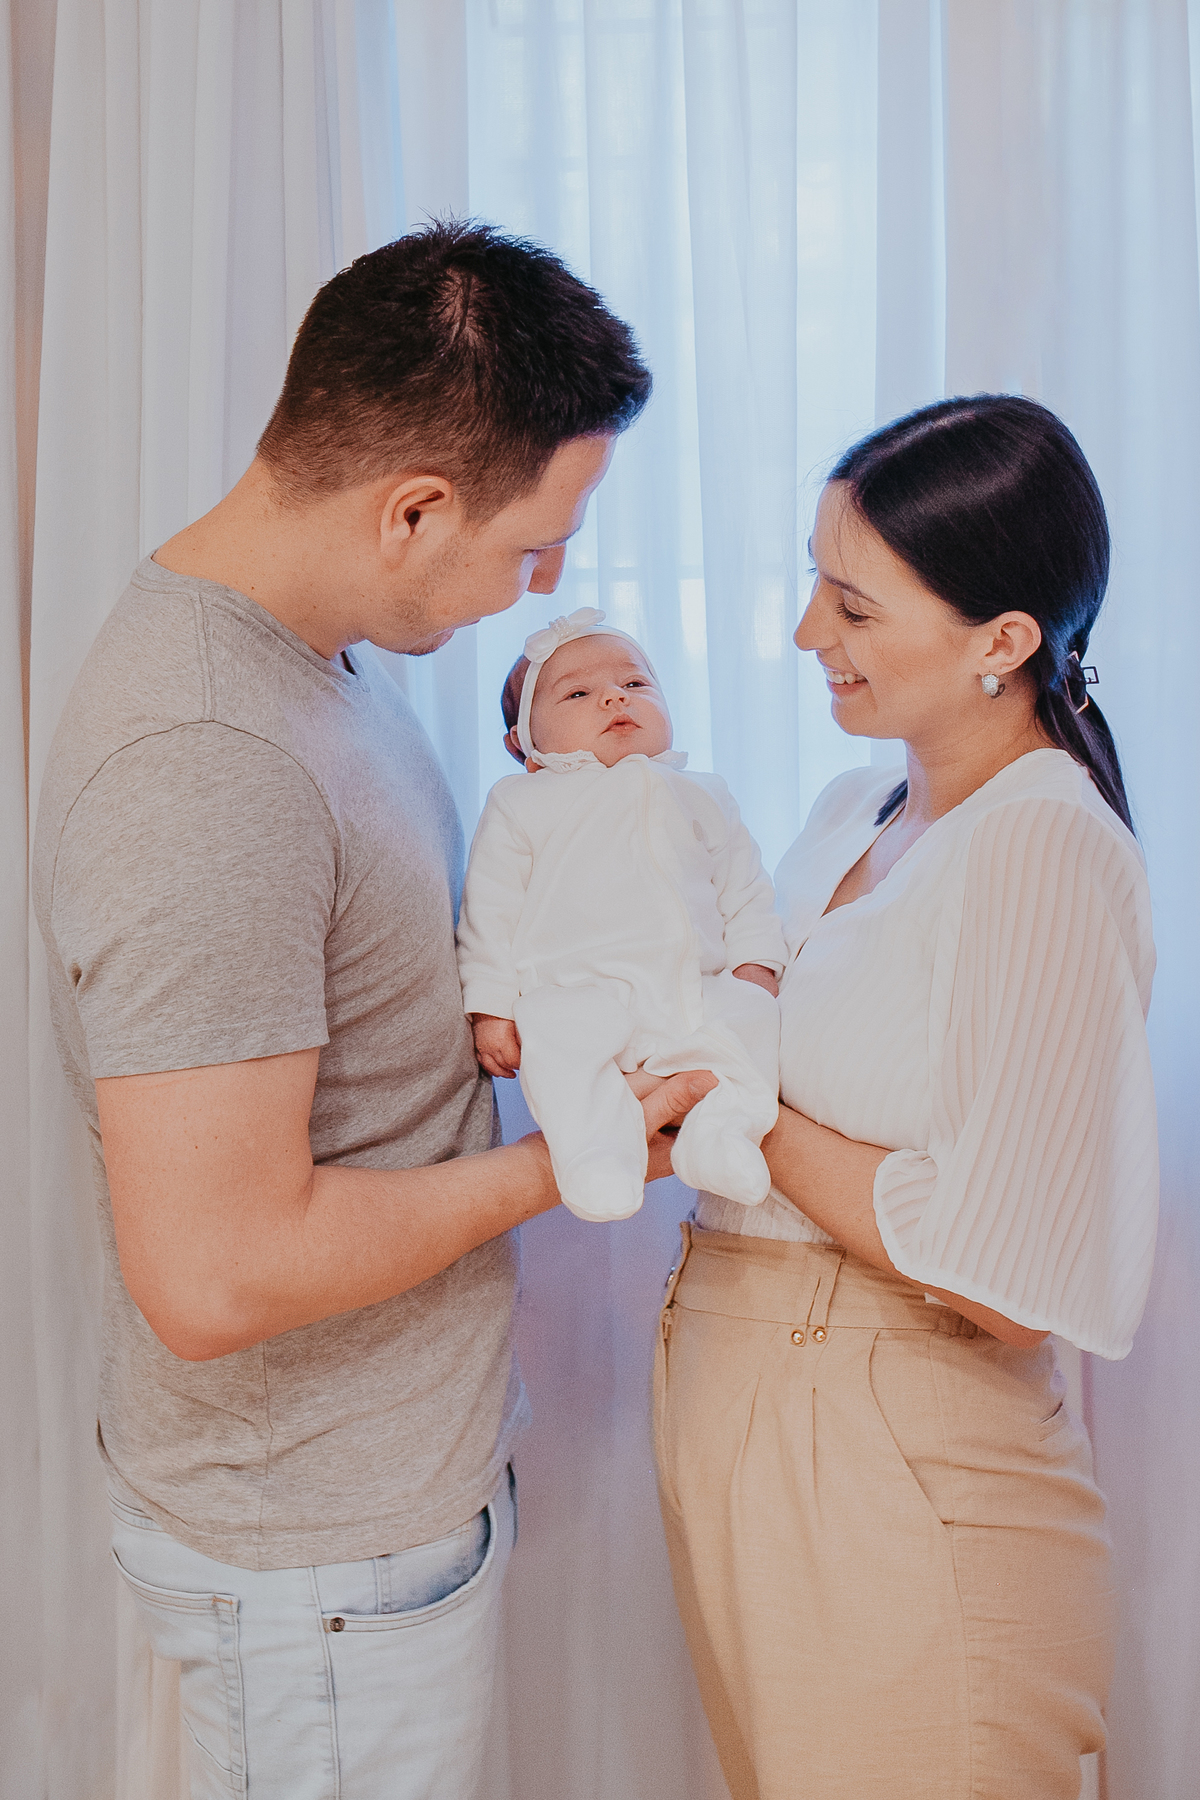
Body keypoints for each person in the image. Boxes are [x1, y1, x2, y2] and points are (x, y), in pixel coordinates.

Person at [32, 221, 712, 1800]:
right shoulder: (205, 761)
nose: (543, 585)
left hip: (369, 1522)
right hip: (316, 1564)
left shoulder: (313, 666)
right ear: (413, 510)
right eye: (533, 542)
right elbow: (215, 1271)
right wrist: (578, 1158)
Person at [653, 395, 1158, 1800]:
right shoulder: (851, 817)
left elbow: (1002, 1278)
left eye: (855, 605)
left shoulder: (1044, 852)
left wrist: (736, 1104)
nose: (810, 635)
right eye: (815, 583)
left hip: (897, 1452)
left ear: (1003, 642)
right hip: (750, 1403)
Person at [457, 606, 786, 1221]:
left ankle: (723, 1133)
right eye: (579, 693)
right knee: (560, 1051)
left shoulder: (702, 793)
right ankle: (594, 1158)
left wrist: (756, 967)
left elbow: (745, 889)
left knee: (751, 1024)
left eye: (635, 684)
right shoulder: (522, 802)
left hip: (693, 988)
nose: (614, 697)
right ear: (524, 745)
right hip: (578, 989)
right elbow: (489, 910)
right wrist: (491, 1006)